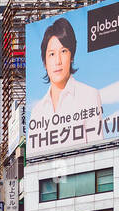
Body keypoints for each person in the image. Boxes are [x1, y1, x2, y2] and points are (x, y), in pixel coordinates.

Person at [27, 17, 103, 151]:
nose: (57, 61)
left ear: (72, 55)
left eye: (63, 51)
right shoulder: (37, 112)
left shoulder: (89, 95)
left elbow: (97, 150)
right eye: (51, 54)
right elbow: (34, 161)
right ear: (44, 62)